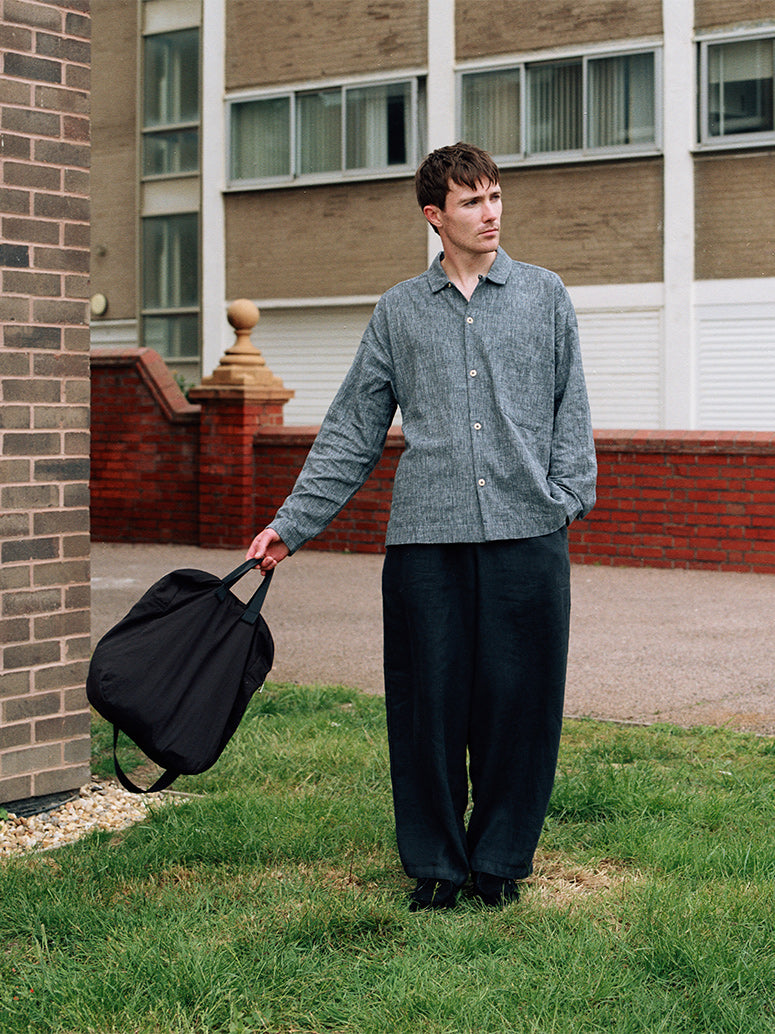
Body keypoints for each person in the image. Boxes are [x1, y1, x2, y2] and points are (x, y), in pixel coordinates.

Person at [247, 142, 597, 911]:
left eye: (495, 196)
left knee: (520, 707)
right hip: (425, 545)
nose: (490, 213)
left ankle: (499, 861)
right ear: (435, 215)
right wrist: (290, 525)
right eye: (472, 201)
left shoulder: (543, 295)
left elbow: (570, 405)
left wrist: (566, 496)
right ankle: (436, 864)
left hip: (526, 537)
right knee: (426, 711)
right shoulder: (399, 311)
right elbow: (352, 430)